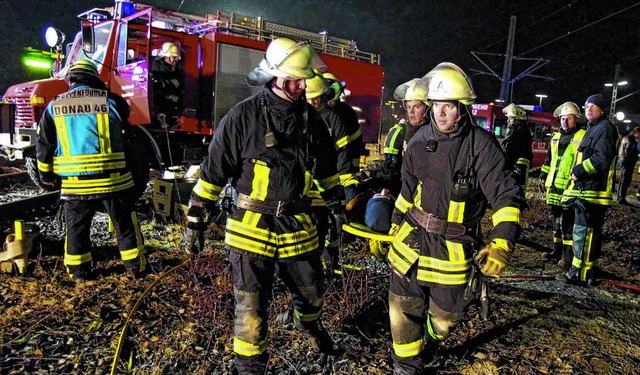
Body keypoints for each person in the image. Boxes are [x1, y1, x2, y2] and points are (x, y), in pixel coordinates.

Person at [182, 38, 345, 373]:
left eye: (304, 79)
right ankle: (249, 367)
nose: (300, 86)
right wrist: (195, 219)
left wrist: (337, 206)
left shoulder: (313, 122)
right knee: (251, 307)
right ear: (273, 77)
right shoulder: (242, 117)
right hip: (250, 226)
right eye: (293, 80)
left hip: (297, 225)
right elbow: (213, 172)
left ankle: (309, 325)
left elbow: (328, 170)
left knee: (312, 293)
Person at [387, 62, 526, 374]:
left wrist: (502, 240)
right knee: (403, 308)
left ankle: (430, 342)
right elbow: (407, 189)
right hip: (411, 240)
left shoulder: (482, 146)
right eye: (436, 106)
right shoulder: (419, 140)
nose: (440, 114)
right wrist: (395, 221)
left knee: (446, 318)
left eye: (448, 106)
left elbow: (506, 195)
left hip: (453, 246)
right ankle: (405, 366)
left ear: (462, 108)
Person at [35, 59, 147, 282]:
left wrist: (46, 176)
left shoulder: (54, 106)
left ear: (71, 80)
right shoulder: (113, 101)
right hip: (114, 181)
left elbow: (44, 145)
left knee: (76, 229)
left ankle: (79, 275)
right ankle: (137, 270)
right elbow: (130, 138)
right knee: (125, 226)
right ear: (94, 79)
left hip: (75, 184)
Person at [305, 71, 361, 273]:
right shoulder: (298, 115)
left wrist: (348, 185)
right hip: (304, 184)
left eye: (315, 98)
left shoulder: (334, 118)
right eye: (308, 98)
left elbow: (344, 154)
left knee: (334, 221)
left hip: (328, 181)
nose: (312, 102)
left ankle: (331, 262)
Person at [561, 94, 618, 286]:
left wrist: (578, 171)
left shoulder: (605, 129)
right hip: (586, 192)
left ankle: (581, 274)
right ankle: (580, 270)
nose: (588, 109)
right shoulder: (594, 129)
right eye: (586, 106)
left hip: (593, 193)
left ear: (602, 110)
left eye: (593, 106)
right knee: (584, 233)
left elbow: (601, 160)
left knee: (585, 234)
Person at [538, 102, 586, 268]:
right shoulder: (556, 137)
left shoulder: (581, 136)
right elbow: (549, 160)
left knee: (568, 223)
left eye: (569, 119)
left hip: (570, 187)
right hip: (554, 186)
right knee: (556, 222)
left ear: (576, 120)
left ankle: (567, 257)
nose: (565, 122)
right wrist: (543, 175)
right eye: (563, 119)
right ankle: (556, 251)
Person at [150, 42, 184, 127]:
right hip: (161, 98)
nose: (176, 59)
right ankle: (161, 117)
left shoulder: (177, 67)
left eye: (177, 57)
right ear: (166, 56)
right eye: (174, 57)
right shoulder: (155, 65)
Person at [501, 103, 533, 188]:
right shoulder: (518, 131)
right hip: (516, 168)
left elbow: (511, 151)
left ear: (516, 119)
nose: (508, 121)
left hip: (518, 169)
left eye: (510, 118)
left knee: (517, 191)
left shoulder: (520, 133)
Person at [616, 125, 640, 204]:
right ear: (636, 132)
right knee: (625, 181)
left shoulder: (626, 138)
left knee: (623, 180)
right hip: (628, 163)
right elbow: (629, 152)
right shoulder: (631, 139)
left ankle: (620, 197)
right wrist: (633, 159)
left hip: (624, 162)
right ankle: (621, 198)